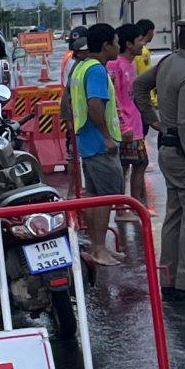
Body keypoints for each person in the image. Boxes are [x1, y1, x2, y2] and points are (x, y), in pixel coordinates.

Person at [134, 20, 185, 300]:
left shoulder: (168, 62)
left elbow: (139, 86)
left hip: (168, 149)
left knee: (176, 215)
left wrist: (153, 119)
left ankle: (168, 276)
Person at [67, 23, 127, 268]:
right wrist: (107, 137)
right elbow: (95, 105)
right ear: (105, 46)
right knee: (106, 197)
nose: (118, 46)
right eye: (115, 41)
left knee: (94, 196)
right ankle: (100, 249)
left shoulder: (80, 67)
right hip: (99, 144)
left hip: (87, 141)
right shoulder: (96, 71)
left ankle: (96, 246)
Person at [107, 21, 153, 256]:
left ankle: (133, 206)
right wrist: (122, 123)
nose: (143, 44)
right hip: (126, 126)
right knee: (131, 166)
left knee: (136, 165)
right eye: (139, 40)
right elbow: (113, 97)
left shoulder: (132, 63)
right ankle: (126, 208)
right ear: (128, 44)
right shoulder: (116, 65)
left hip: (134, 124)